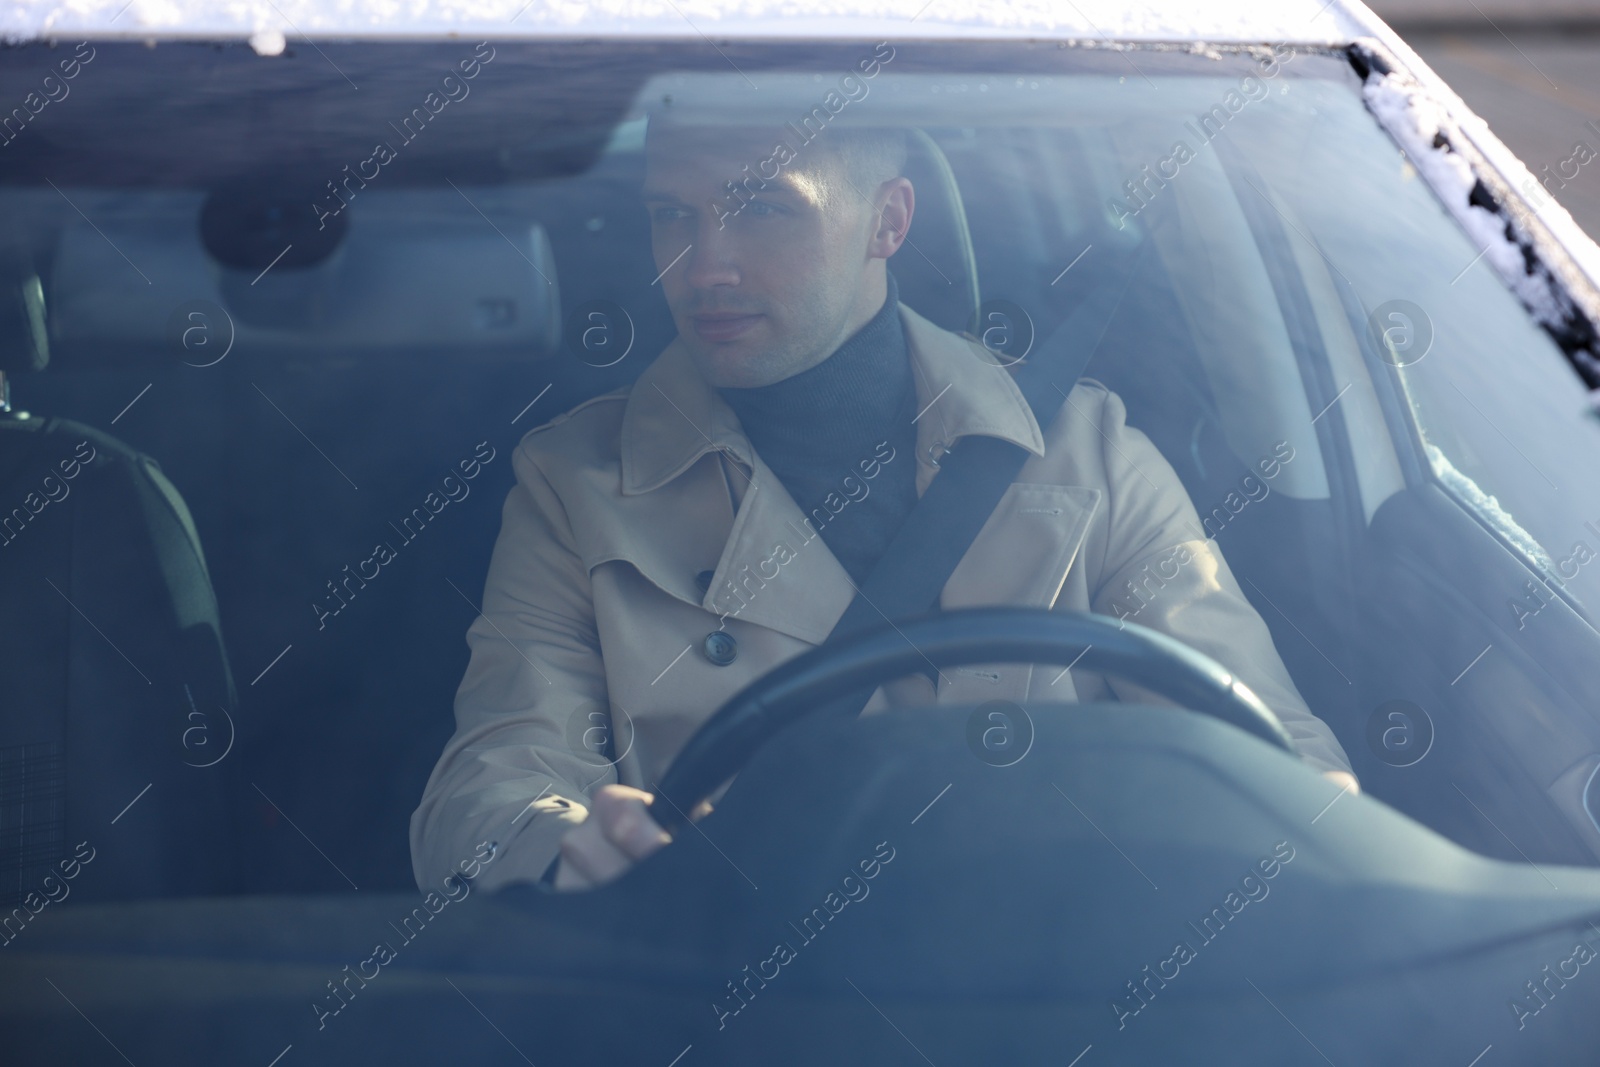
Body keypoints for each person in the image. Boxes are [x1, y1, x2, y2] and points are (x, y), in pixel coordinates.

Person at [409, 115, 1358, 894]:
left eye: (765, 209)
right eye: (672, 215)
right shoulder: (575, 482)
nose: (704, 267)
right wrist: (569, 849)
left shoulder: (1088, 451)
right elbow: (492, 781)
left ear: (887, 222)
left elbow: (1273, 758)